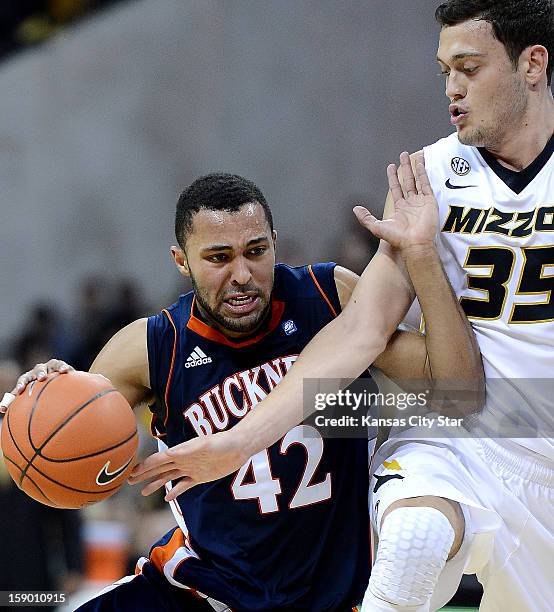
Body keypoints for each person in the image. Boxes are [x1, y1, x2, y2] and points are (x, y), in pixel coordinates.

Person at [127, 1, 554, 611]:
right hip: (465, 441)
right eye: (444, 73)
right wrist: (237, 443)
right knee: (411, 541)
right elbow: (360, 329)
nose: (452, 91)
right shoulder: (432, 173)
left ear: (531, 64)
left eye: (469, 69)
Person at [1, 168, 481, 610]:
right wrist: (42, 407)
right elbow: (73, 448)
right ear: (181, 261)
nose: (242, 274)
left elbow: (455, 389)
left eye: (256, 251)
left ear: (274, 243)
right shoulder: (148, 347)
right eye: (218, 258)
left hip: (334, 591)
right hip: (206, 591)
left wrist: (423, 260)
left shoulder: (327, 296)